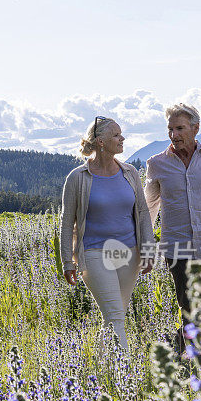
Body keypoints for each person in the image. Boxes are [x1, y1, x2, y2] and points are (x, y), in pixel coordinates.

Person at [144, 103, 201, 355]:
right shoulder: (157, 164)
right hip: (177, 248)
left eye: (180, 128)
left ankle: (180, 342)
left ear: (195, 128)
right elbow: (149, 207)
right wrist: (144, 245)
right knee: (189, 305)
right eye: (170, 129)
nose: (174, 134)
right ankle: (194, 361)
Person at [60, 117, 154, 350]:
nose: (122, 139)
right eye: (116, 135)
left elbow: (142, 213)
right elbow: (66, 222)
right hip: (93, 254)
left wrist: (149, 250)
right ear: (100, 141)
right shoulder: (77, 178)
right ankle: (126, 376)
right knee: (115, 315)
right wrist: (67, 262)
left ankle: (103, 370)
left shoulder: (130, 172)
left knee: (114, 316)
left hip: (129, 253)